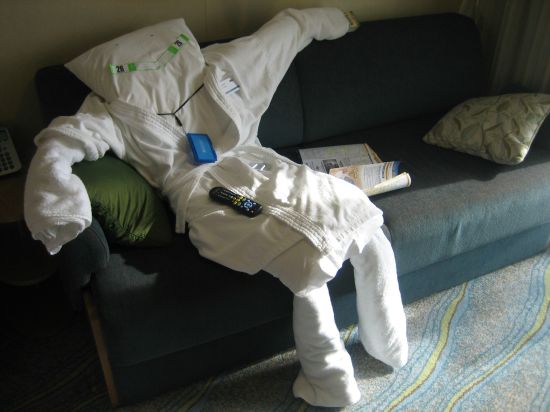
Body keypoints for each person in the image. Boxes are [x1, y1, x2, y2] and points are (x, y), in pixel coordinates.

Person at [24, 8, 407, 407]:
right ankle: (330, 382)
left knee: (366, 225)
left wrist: (338, 19)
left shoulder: (219, 69)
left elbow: (285, 32)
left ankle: (389, 344)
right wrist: (59, 204)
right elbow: (60, 143)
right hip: (205, 198)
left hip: (267, 167)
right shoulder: (108, 112)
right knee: (305, 266)